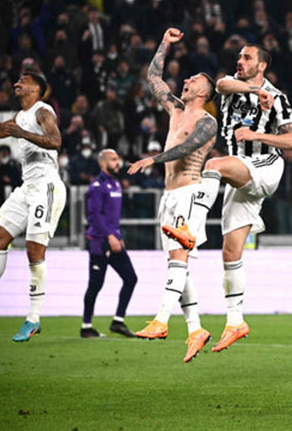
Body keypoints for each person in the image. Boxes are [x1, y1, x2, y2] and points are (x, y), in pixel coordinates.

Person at [199, 43, 292, 353]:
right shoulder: (234, 86)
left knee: (213, 165)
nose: (240, 60)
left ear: (262, 65)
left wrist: (257, 135)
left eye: (247, 57)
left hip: (266, 165)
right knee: (230, 251)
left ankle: (192, 226)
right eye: (239, 56)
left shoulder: (278, 98)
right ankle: (235, 322)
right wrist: (256, 92)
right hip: (240, 171)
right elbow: (221, 84)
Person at [126, 28, 218, 363]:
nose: (187, 79)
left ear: (203, 91)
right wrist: (164, 42)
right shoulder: (175, 109)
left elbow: (187, 148)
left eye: (194, 79)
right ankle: (195, 329)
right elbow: (153, 77)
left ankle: (161, 320)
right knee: (178, 265)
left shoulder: (207, 122)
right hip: (169, 196)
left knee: (179, 259)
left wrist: (152, 159)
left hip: (190, 193)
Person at [0, 72, 67, 343]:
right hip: (27, 187)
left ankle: (33, 318)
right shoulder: (20, 115)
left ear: (36, 88)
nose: (17, 84)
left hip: (47, 187)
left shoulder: (43, 111)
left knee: (33, 250)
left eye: (23, 81)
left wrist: (23, 133)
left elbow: (56, 141)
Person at [81, 149, 138, 339]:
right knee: (95, 284)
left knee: (130, 278)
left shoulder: (116, 183)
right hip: (99, 242)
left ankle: (118, 321)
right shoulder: (97, 186)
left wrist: (117, 236)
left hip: (114, 240)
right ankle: (86, 326)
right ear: (103, 163)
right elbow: (93, 216)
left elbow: (112, 216)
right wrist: (109, 236)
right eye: (113, 159)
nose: (117, 162)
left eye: (117, 159)